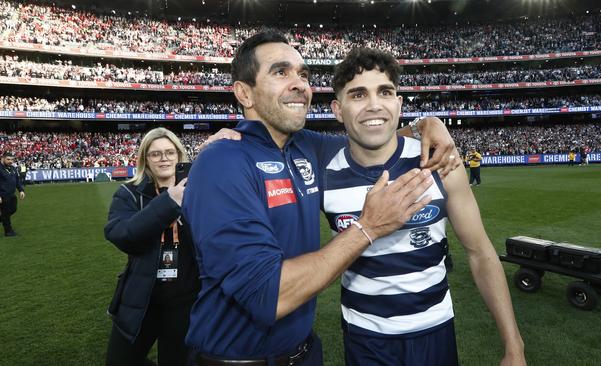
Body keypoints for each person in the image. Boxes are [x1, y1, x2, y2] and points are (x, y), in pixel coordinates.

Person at [182, 31, 458, 366]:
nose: (298, 83)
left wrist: (427, 124)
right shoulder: (222, 163)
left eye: (303, 74)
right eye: (280, 72)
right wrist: (368, 228)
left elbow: (372, 134)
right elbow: (268, 296)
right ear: (244, 92)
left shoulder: (305, 147)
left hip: (304, 353)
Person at [325, 47, 525, 366]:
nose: (374, 104)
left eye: (385, 92)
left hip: (435, 331)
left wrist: (514, 346)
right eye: (358, 94)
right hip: (364, 337)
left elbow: (480, 252)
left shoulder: (440, 161)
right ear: (338, 109)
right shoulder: (324, 173)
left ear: (399, 103)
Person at [104, 127, 200, 366]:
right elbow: (123, 235)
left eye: (170, 152)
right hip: (141, 298)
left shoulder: (200, 191)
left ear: (179, 155)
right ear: (145, 159)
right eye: (155, 154)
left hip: (186, 300)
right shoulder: (128, 193)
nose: (164, 158)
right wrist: (169, 202)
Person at [0, 152, 26, 236]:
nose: (10, 161)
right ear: (2, 158)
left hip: (11, 194)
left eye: (12, 159)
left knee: (13, 209)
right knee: (6, 213)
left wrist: (21, 190)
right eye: (8, 159)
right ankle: (8, 231)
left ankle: (4, 219)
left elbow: (17, 180)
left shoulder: (13, 168)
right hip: (3, 195)